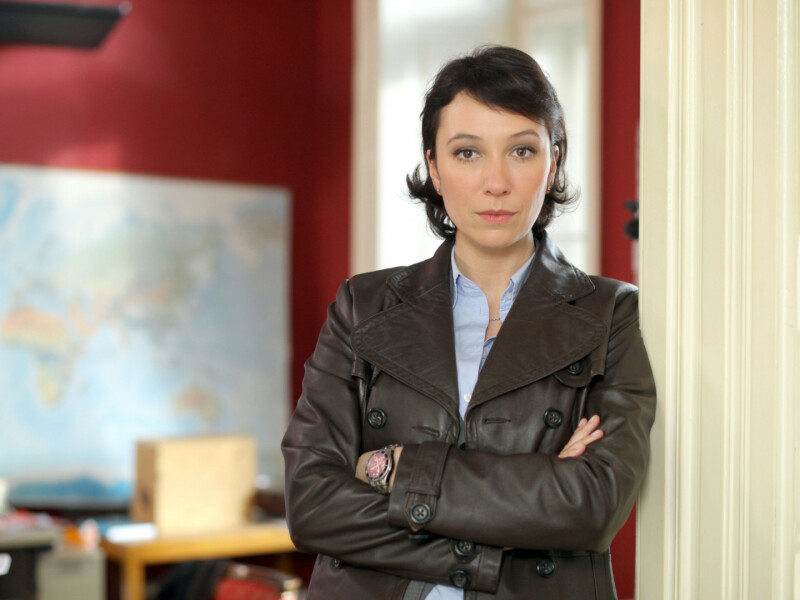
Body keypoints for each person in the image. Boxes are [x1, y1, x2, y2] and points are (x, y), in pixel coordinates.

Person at [282, 45, 656, 600]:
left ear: (553, 162)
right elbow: (312, 506)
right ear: (434, 168)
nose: (496, 182)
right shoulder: (363, 305)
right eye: (467, 153)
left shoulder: (612, 313)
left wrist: (396, 468)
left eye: (521, 150)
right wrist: (515, 517)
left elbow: (592, 506)